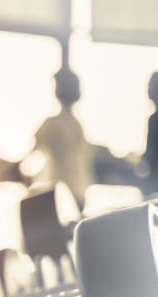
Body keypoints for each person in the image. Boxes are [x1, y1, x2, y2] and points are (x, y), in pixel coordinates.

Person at [33, 67, 94, 209]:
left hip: (61, 194)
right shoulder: (77, 124)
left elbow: (30, 157)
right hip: (81, 189)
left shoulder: (52, 124)